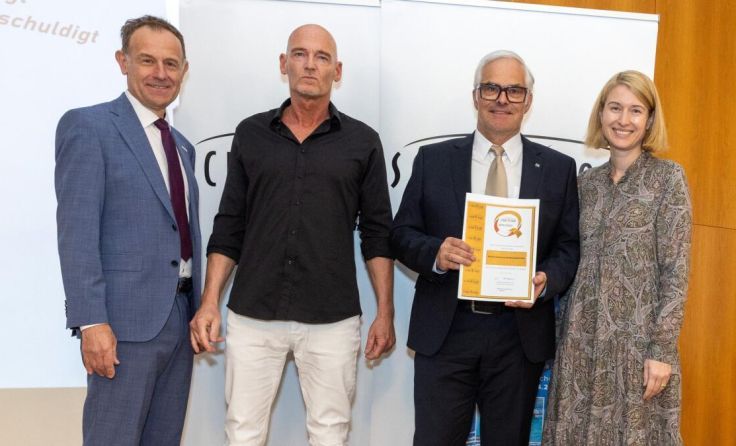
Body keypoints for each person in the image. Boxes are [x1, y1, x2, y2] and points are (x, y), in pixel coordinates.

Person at [189, 24, 395, 446]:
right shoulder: (250, 133)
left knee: (330, 433)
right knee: (242, 432)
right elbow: (229, 224)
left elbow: (377, 234)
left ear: (338, 71)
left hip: (333, 318)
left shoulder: (364, 142)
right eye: (300, 54)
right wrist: (209, 301)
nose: (310, 65)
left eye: (322, 57)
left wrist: (385, 311)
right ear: (284, 64)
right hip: (252, 312)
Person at [390, 50, 580, 446]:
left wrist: (545, 281)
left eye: (514, 90)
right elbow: (402, 234)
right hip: (447, 331)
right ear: (476, 95)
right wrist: (436, 254)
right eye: (491, 88)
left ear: (528, 101)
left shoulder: (558, 169)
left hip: (518, 336)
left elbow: (568, 248)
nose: (502, 99)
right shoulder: (433, 160)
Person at [55, 15, 200, 446]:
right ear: (123, 61)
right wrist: (91, 322)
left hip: (180, 319)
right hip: (122, 327)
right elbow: (77, 234)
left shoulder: (183, 146)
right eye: (148, 60)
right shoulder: (89, 127)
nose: (161, 73)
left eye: (171, 64)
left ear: (184, 71)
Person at [543, 70, 692, 445]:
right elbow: (567, 260)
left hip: (637, 350)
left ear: (650, 120)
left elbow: (676, 272)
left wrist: (661, 350)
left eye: (635, 110)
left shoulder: (668, 179)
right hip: (580, 346)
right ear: (601, 114)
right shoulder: (585, 184)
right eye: (614, 108)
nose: (623, 120)